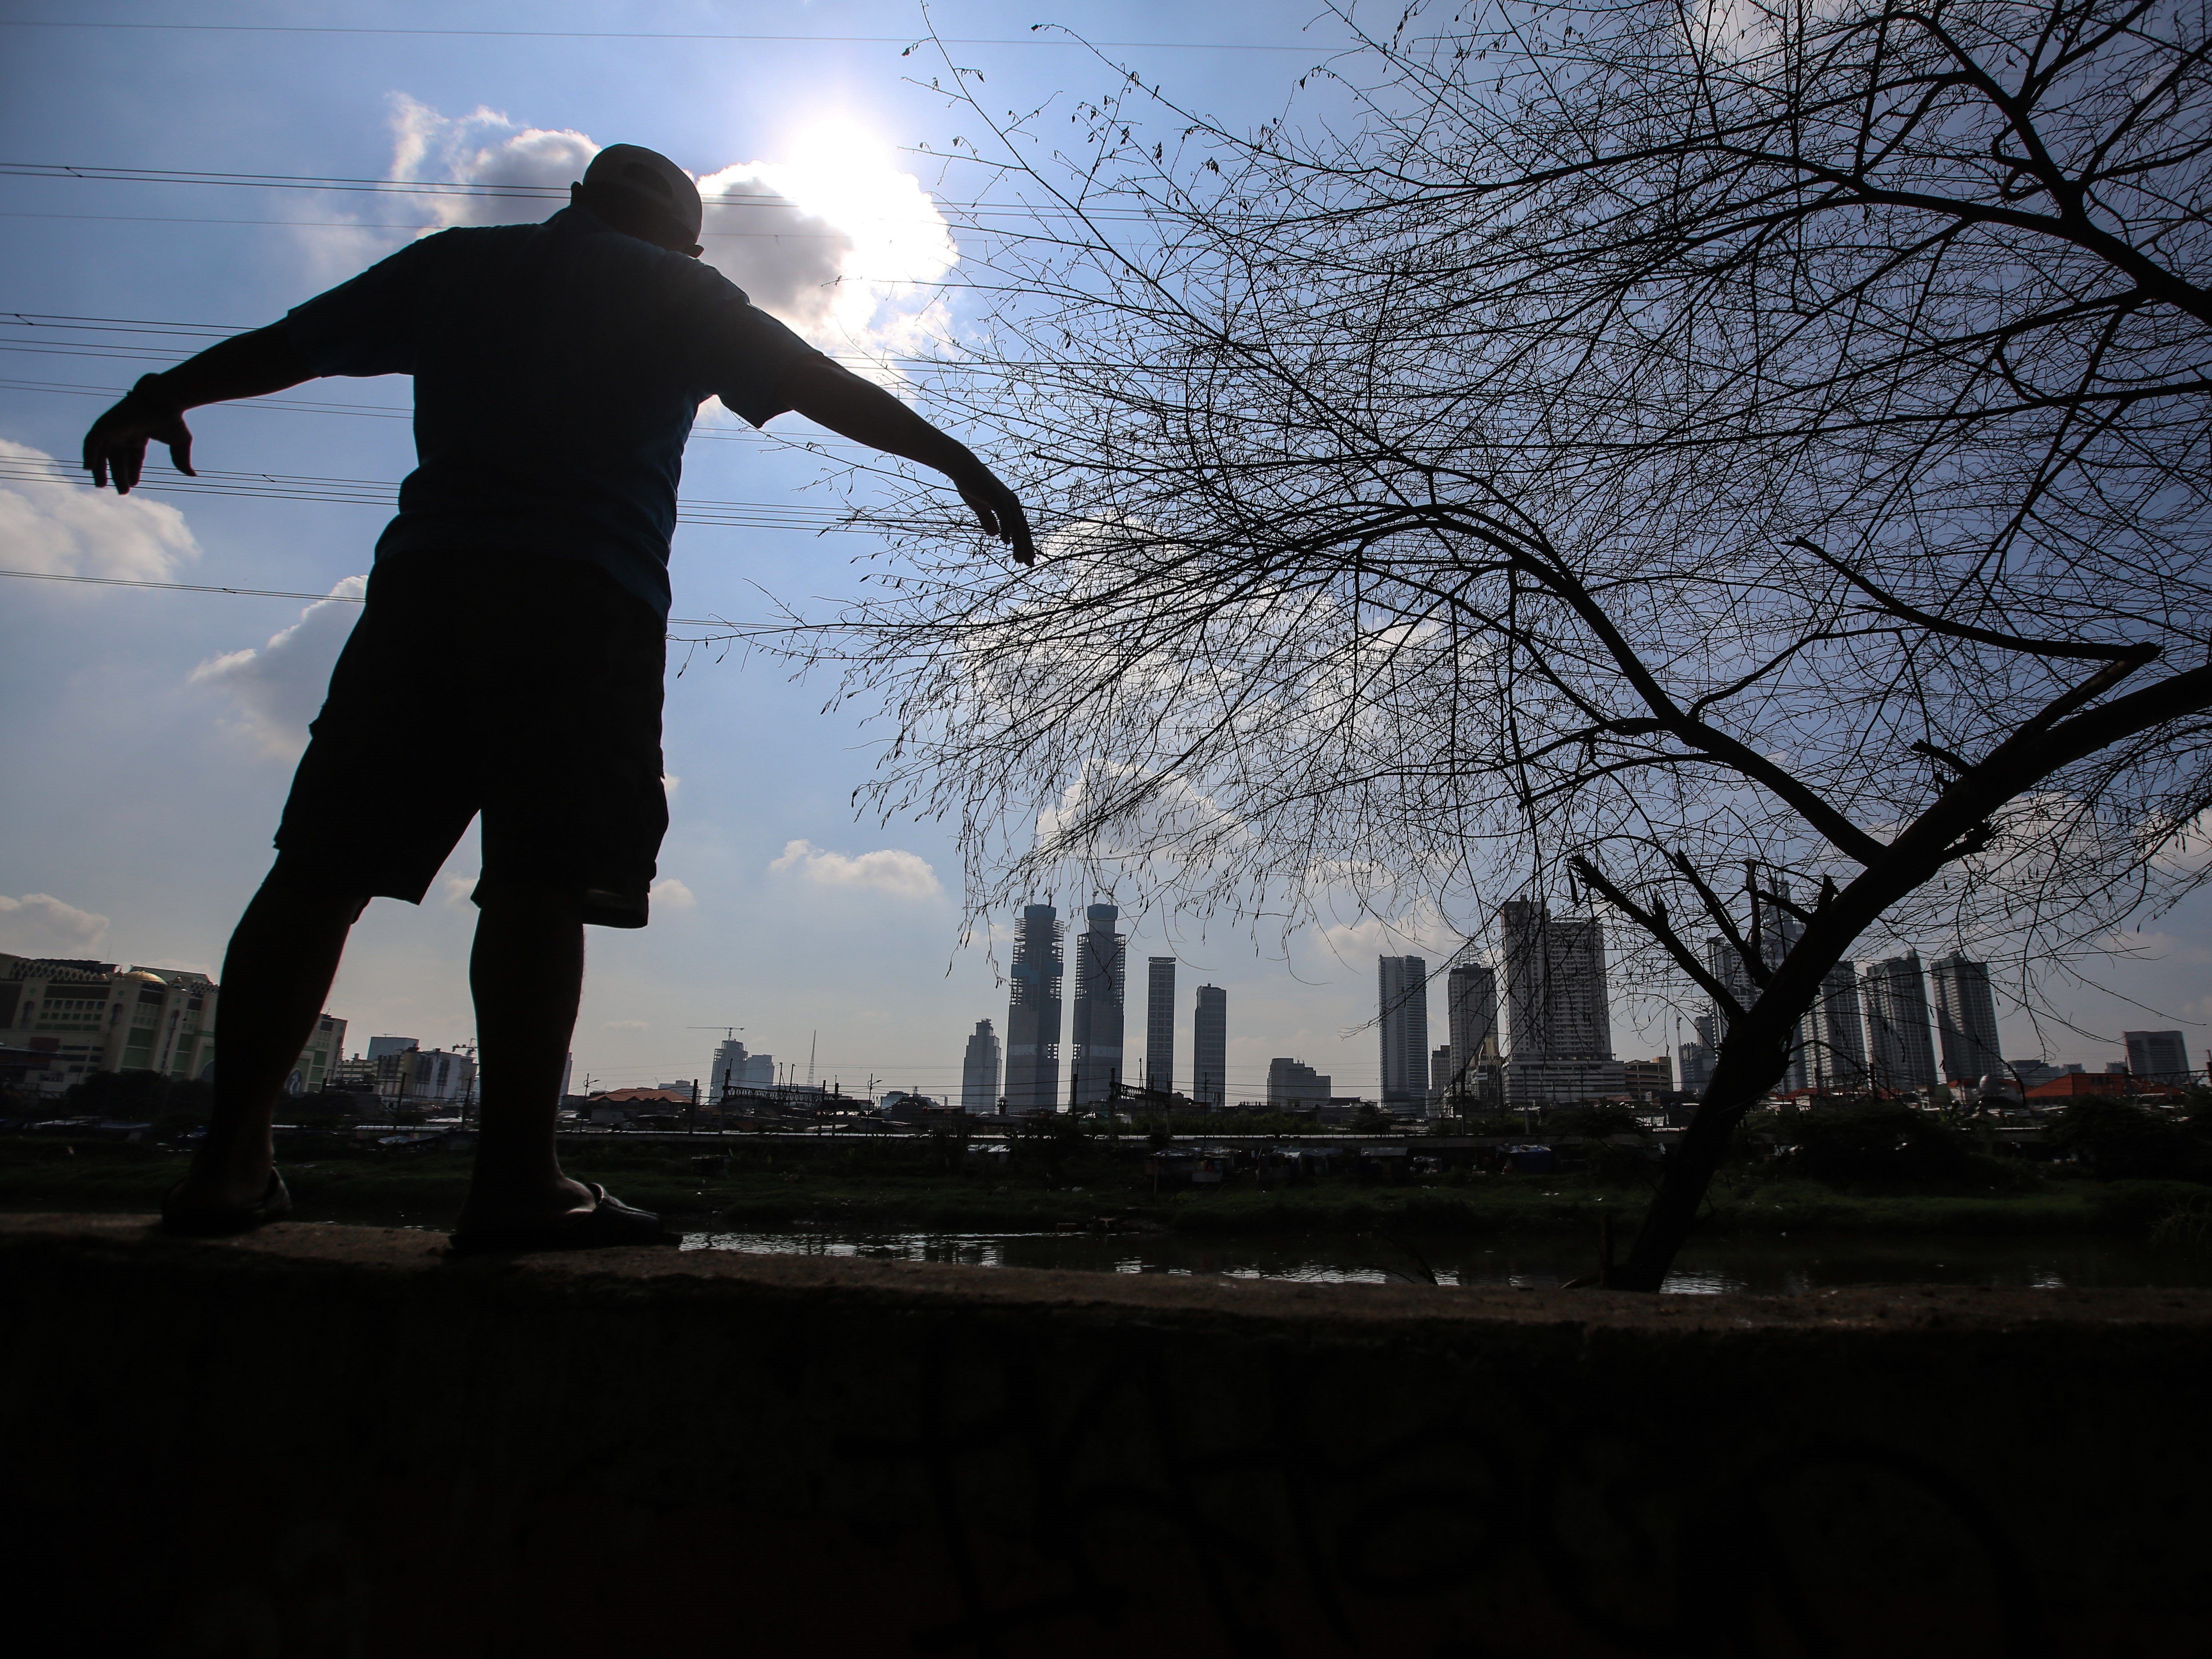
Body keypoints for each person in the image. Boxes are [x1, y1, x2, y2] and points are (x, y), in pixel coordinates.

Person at [82, 143, 1034, 1251]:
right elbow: (818, 384)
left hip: (426, 588)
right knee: (539, 884)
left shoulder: (458, 267)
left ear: (577, 202)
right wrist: (958, 460)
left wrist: (161, 392)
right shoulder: (679, 288)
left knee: (319, 873)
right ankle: (516, 1184)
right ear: (685, 234)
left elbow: (291, 345)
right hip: (583, 600)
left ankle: (227, 1166)